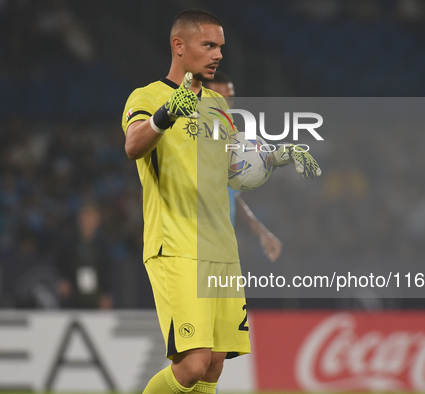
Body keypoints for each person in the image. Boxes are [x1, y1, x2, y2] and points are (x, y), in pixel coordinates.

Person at [122, 9, 320, 393]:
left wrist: (275, 157)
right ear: (179, 46)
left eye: (221, 47)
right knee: (193, 363)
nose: (218, 55)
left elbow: (231, 167)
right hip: (176, 245)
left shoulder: (218, 106)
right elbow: (133, 146)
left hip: (221, 249)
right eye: (208, 45)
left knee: (213, 366)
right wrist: (166, 114)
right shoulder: (147, 96)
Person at [204, 71, 283, 263]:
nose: (225, 105)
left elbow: (231, 197)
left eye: (229, 99)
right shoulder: (185, 144)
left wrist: (262, 232)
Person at [57, 203, 113, 309]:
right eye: (85, 216)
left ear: (98, 220)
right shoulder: (69, 242)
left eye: (92, 216)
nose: (88, 220)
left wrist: (106, 293)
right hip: (73, 295)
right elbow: (60, 263)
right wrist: (63, 280)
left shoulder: (103, 244)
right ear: (80, 218)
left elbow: (107, 270)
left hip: (96, 297)